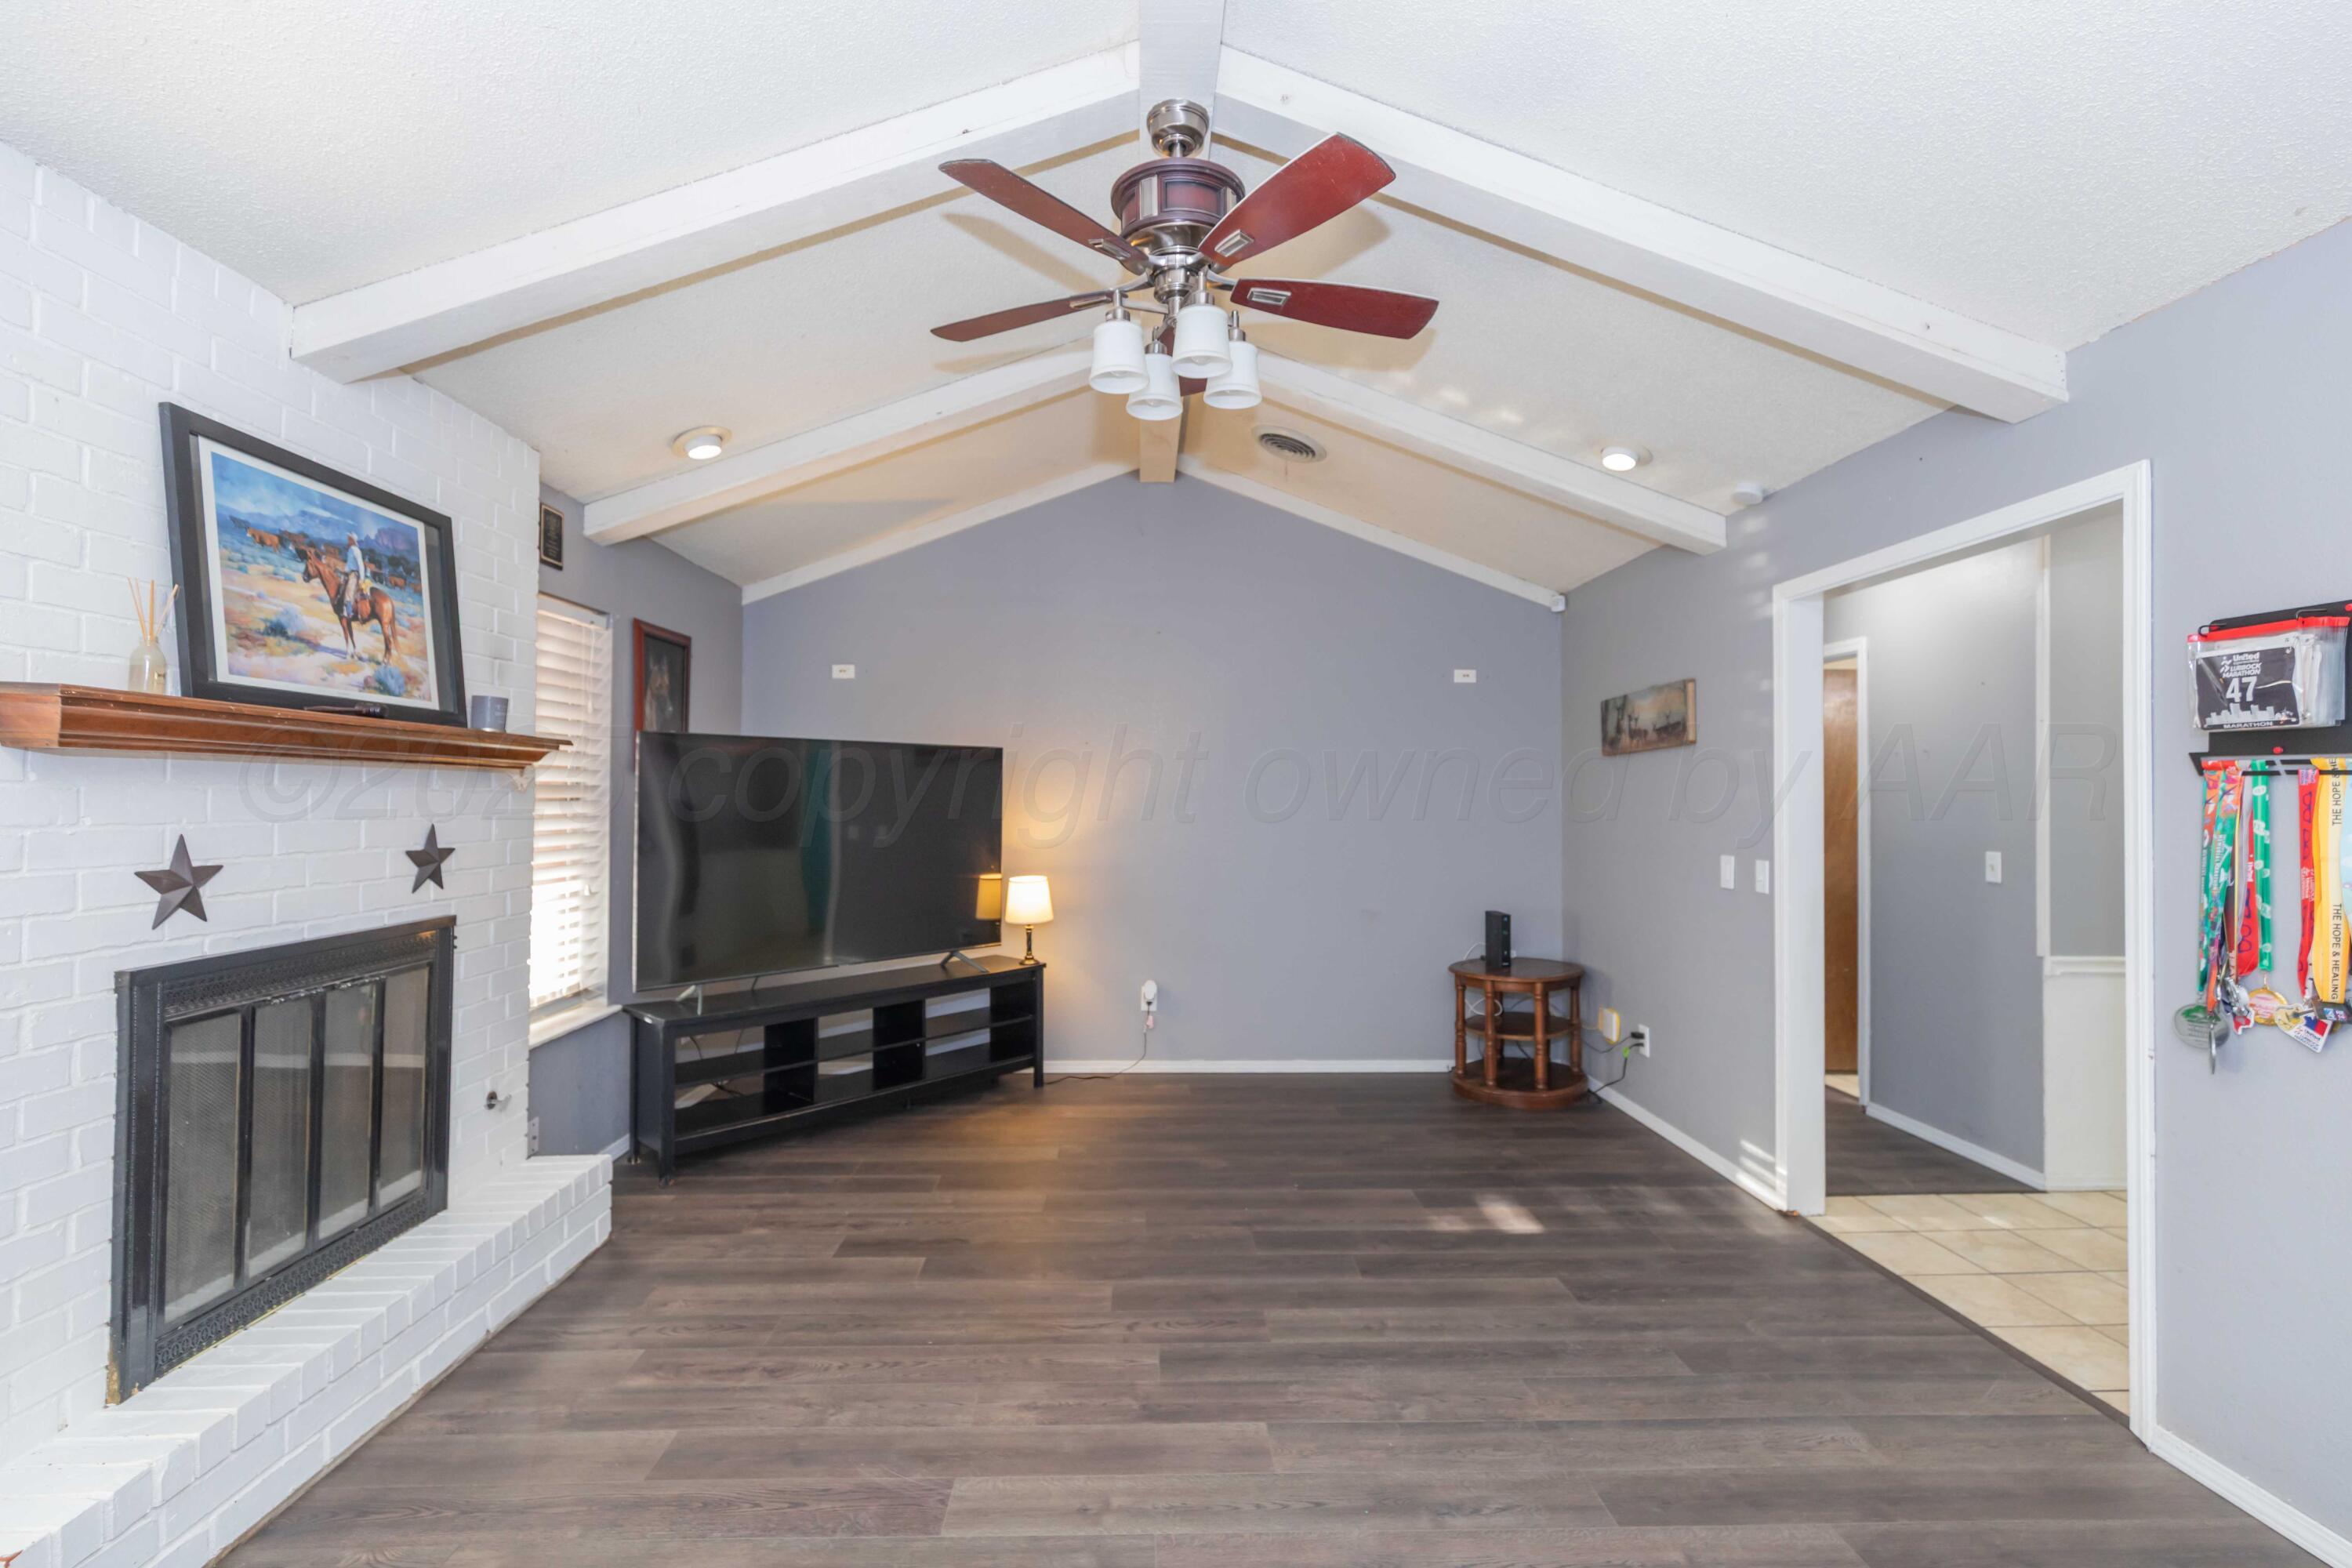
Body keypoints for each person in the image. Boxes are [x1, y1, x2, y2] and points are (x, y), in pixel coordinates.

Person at [339, 532, 371, 618]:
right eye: (348, 539)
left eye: (349, 539)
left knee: (349, 591)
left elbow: (360, 565)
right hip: (349, 574)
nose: (348, 541)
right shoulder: (350, 550)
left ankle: (349, 612)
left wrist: (361, 578)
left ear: (352, 541)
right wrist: (343, 575)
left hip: (354, 575)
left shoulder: (356, 550)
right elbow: (348, 564)